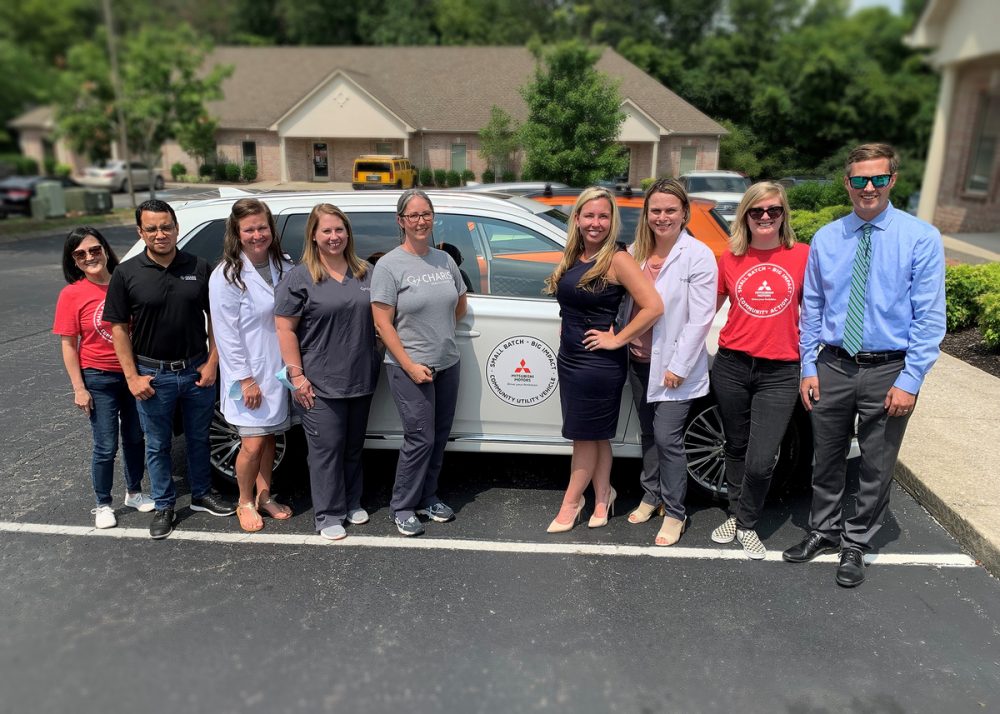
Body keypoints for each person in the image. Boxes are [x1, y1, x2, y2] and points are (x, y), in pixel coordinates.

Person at [784, 143, 946, 587]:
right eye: (859, 179)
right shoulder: (828, 237)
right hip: (833, 365)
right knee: (826, 457)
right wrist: (808, 368)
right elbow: (812, 306)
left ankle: (855, 541)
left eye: (877, 178)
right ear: (847, 183)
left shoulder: (920, 237)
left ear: (892, 179)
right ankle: (823, 530)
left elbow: (930, 316)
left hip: (888, 370)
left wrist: (911, 379)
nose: (868, 187)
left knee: (876, 463)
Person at [104, 199, 235, 539]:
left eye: (166, 226)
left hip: (196, 370)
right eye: (152, 228)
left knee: (198, 438)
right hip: (153, 375)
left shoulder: (199, 266)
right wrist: (132, 377)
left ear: (176, 228)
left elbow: (218, 320)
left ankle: (202, 494)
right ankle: (164, 505)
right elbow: (118, 328)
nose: (160, 234)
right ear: (140, 232)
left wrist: (212, 363)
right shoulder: (126, 273)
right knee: (158, 444)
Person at [543, 186, 662, 533]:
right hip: (571, 359)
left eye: (603, 216)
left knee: (583, 435)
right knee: (596, 436)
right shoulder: (575, 254)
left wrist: (617, 339)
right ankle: (601, 497)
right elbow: (572, 302)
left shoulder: (617, 260)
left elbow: (653, 306)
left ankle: (570, 503)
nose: (596, 223)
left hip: (598, 365)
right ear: (577, 219)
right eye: (589, 215)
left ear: (612, 221)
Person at [710, 182, 809, 559]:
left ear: (784, 215)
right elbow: (705, 312)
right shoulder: (730, 258)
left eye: (773, 210)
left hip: (780, 370)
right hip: (733, 365)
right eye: (757, 211)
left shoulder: (802, 255)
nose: (765, 217)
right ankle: (737, 515)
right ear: (745, 216)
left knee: (763, 456)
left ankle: (747, 522)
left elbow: (817, 311)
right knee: (734, 446)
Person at [275, 204, 380, 541]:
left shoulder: (365, 272)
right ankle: (328, 514)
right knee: (326, 451)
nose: (334, 237)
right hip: (318, 382)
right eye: (327, 231)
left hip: (361, 376)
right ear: (314, 236)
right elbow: (284, 329)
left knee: (352, 447)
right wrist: (297, 377)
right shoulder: (300, 277)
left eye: (339, 230)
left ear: (347, 233)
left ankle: (351, 501)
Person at [624, 179, 716, 546]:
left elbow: (701, 317)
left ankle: (676, 511)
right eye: (656, 210)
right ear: (646, 214)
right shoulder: (636, 252)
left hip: (675, 367)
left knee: (668, 436)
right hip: (639, 360)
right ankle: (651, 494)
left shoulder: (697, 254)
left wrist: (678, 366)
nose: (662, 217)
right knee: (647, 433)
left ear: (684, 214)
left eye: (670, 210)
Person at [370, 189, 468, 537]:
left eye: (426, 214)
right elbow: (382, 323)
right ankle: (403, 506)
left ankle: (428, 496)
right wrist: (410, 364)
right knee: (420, 437)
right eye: (413, 215)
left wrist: (439, 333)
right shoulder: (389, 266)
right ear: (401, 222)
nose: (421, 221)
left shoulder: (444, 261)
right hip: (408, 367)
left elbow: (459, 302)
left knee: (439, 436)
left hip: (447, 362)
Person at [53, 227, 154, 528]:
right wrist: (79, 388)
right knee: (106, 444)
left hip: (133, 375)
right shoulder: (72, 294)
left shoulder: (126, 281)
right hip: (99, 377)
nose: (89, 257)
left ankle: (134, 492)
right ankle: (103, 503)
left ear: (106, 250)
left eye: (95, 250)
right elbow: (69, 344)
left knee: (136, 437)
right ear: (73, 261)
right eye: (80, 254)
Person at [209, 199, 293, 533]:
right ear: (237, 233)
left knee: (270, 438)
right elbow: (225, 333)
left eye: (262, 227)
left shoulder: (283, 264)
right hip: (249, 373)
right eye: (249, 229)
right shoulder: (227, 275)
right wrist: (245, 379)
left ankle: (264, 495)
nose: (257, 235)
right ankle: (244, 501)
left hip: (277, 369)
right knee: (252, 443)